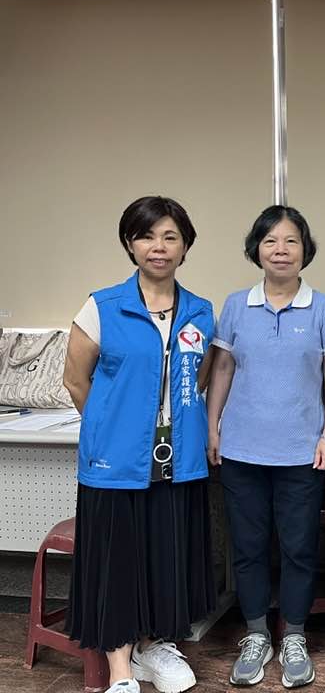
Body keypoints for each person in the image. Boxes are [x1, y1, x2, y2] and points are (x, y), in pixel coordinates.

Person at [62, 196, 217, 693]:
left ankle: (154, 648)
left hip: (178, 461)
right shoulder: (103, 307)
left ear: (185, 247)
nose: (159, 246)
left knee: (165, 557)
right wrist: (112, 428)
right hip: (115, 462)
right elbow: (76, 380)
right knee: (119, 563)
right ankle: (121, 670)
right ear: (130, 244)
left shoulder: (200, 312)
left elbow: (199, 380)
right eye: (147, 236)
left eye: (171, 236)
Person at [206, 205, 325, 689]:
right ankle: (255, 635)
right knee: (246, 548)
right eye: (270, 241)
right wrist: (212, 428)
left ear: (305, 250)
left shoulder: (323, 307)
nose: (281, 250)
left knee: (299, 549)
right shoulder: (235, 305)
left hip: (302, 453)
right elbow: (223, 368)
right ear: (256, 250)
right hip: (242, 449)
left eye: (291, 241)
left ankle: (295, 637)